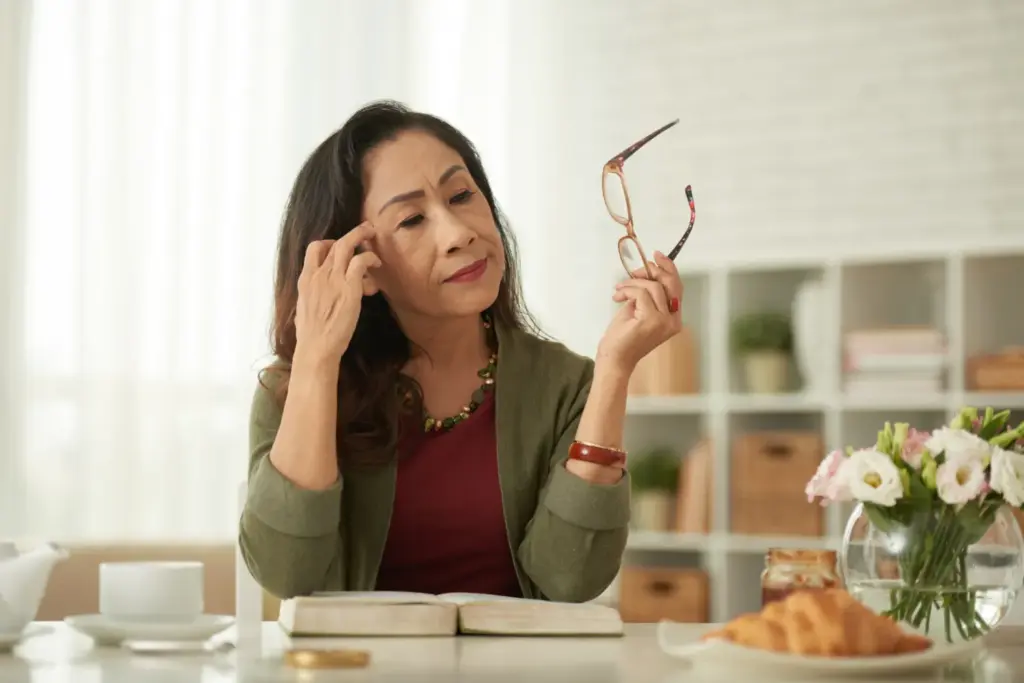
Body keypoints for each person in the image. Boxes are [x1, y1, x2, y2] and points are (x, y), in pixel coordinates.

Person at [239, 100, 684, 603]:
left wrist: (615, 371)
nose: (459, 233)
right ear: (359, 263)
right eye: (411, 219)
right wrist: (317, 361)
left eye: (461, 194)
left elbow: (570, 580)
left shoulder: (566, 384)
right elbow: (285, 573)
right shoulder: (291, 389)